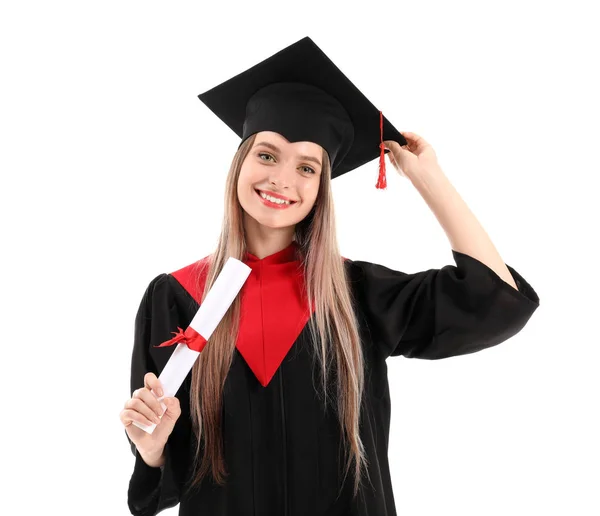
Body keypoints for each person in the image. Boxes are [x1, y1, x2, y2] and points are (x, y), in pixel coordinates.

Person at [119, 37, 540, 516]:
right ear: (240, 162)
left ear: (322, 187)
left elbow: (493, 298)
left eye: (307, 167)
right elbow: (165, 460)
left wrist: (429, 179)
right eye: (267, 155)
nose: (282, 179)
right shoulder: (176, 297)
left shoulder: (358, 294)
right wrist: (150, 446)